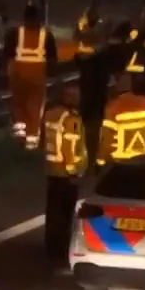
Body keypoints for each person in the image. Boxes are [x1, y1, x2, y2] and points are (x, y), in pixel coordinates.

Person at [41, 86, 90, 265]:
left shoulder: (50, 114)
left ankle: (50, 247)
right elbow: (70, 148)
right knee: (65, 214)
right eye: (76, 96)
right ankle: (61, 251)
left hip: (51, 170)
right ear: (70, 98)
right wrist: (73, 172)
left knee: (52, 212)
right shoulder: (71, 119)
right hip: (66, 175)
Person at [8, 4, 58, 150]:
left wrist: (7, 73)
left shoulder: (14, 33)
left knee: (18, 108)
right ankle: (31, 144)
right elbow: (53, 60)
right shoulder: (46, 35)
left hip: (17, 78)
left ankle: (19, 139)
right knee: (34, 111)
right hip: (37, 80)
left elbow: (7, 57)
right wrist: (53, 75)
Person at [97, 72, 145, 165]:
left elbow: (107, 140)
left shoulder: (112, 107)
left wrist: (101, 161)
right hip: (141, 163)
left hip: (120, 164)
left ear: (117, 85)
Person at [73, 0, 111, 135]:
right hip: (86, 67)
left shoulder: (102, 26)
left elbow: (104, 43)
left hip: (98, 68)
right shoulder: (84, 25)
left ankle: (95, 123)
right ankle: (88, 122)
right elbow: (77, 37)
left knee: (97, 100)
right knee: (88, 100)